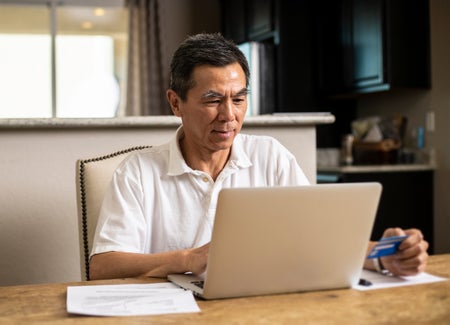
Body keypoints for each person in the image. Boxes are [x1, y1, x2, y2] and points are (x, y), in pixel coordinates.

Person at [89, 33, 428, 280]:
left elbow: (318, 240)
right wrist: (190, 258)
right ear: (176, 102)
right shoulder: (137, 171)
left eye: (238, 99)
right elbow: (104, 266)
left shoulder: (271, 156)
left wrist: (385, 256)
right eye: (211, 100)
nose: (228, 115)